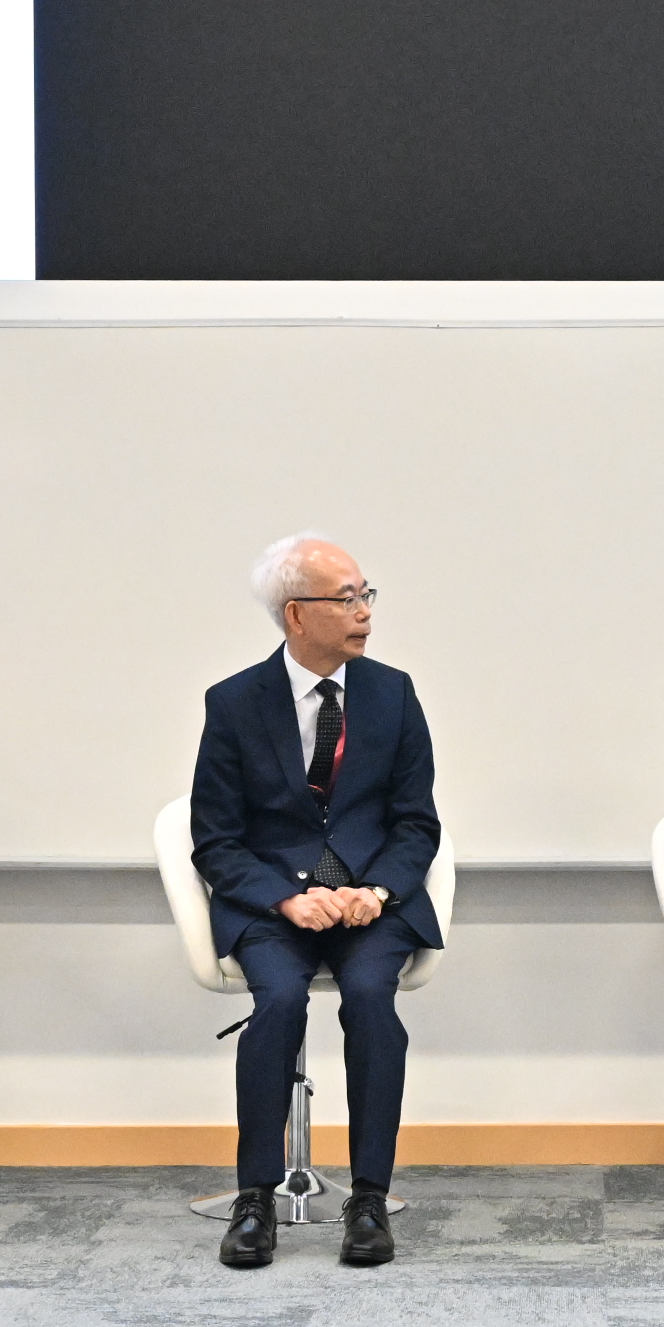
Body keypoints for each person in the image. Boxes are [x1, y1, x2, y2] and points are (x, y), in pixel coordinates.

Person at [189, 535, 445, 1271]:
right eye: (347, 599)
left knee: (370, 999)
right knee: (277, 1003)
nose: (364, 612)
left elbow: (417, 823)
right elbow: (215, 839)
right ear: (296, 615)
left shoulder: (393, 693)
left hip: (370, 905)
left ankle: (369, 1199)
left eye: (367, 595)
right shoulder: (235, 702)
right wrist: (284, 900)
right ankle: (254, 1199)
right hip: (276, 907)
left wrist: (377, 890)